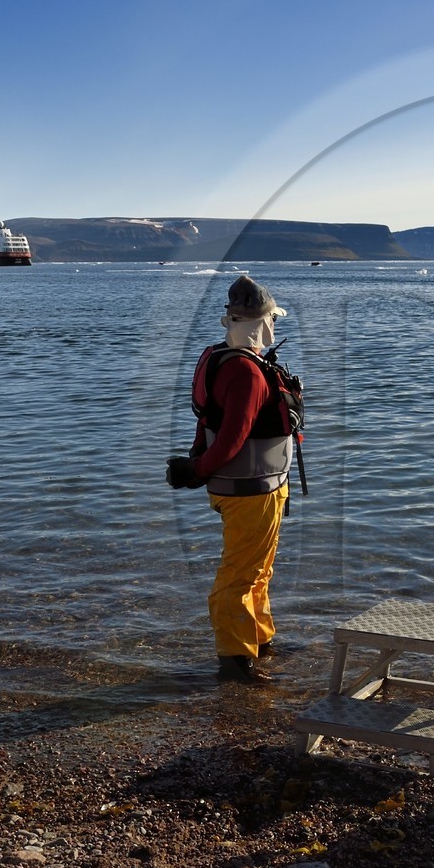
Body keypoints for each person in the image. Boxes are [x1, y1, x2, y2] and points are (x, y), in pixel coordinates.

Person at [167, 275, 296, 686]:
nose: (274, 326)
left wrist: (195, 464)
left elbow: (209, 421)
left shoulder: (219, 356)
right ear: (261, 322)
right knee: (240, 574)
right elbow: (233, 437)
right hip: (250, 491)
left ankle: (258, 640)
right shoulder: (246, 373)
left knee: (258, 570)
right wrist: (198, 469)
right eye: (272, 319)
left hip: (258, 486)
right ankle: (235, 661)